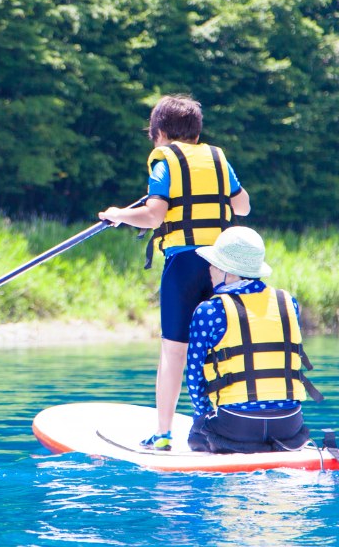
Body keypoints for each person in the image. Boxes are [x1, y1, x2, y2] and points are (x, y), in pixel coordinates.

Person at [99, 95, 250, 450]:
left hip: (184, 264)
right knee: (223, 346)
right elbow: (242, 206)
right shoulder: (218, 157)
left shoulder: (164, 159)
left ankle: (164, 434)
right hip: (223, 267)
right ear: (197, 133)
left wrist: (117, 214)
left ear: (161, 133)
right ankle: (230, 423)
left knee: (174, 351)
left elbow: (153, 216)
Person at [186, 226, 323, 453]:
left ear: (230, 272)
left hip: (236, 426)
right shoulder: (289, 303)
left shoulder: (209, 310)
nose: (209, 268)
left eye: (216, 264)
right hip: (289, 426)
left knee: (197, 436)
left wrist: (202, 422)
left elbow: (194, 376)